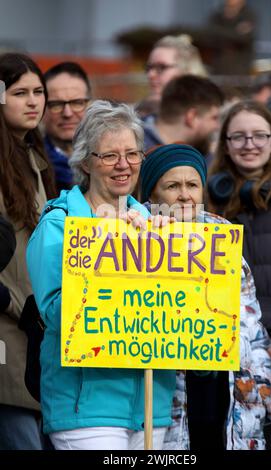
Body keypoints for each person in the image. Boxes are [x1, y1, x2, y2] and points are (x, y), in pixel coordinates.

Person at [26, 100, 187, 451]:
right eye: (109, 156)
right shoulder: (59, 225)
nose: (123, 165)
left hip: (151, 407)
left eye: (132, 154)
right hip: (86, 410)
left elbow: (179, 313)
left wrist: (170, 245)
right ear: (85, 161)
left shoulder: (154, 225)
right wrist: (100, 245)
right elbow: (56, 316)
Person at [140, 143, 271, 450]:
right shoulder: (134, 240)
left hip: (225, 389)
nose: (185, 195)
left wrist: (260, 395)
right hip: (169, 392)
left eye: (192, 185)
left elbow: (251, 324)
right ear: (151, 193)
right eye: (172, 186)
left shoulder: (223, 236)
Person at [206, 100, 271, 449]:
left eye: (259, 136)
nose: (249, 144)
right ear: (226, 144)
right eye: (239, 137)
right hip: (220, 355)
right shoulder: (205, 203)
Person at [0, 52, 56, 450]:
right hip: (5, 323)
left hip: (34, 323)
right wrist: (7, 299)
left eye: (38, 91)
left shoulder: (35, 157)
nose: (33, 101)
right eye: (21, 93)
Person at [143, 74, 224, 162]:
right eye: (214, 118)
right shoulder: (135, 150)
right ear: (192, 117)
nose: (217, 126)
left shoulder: (205, 156)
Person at [43, 62, 92, 192]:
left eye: (77, 103)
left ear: (90, 104)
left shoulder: (113, 160)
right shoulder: (25, 165)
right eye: (56, 104)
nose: (67, 113)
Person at [137, 34, 208, 118]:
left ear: (187, 70)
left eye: (161, 67)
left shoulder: (206, 116)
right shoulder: (141, 112)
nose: (151, 74)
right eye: (149, 67)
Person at [205, 0, 256, 75]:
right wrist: (235, 32)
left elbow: (243, 38)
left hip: (240, 69)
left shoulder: (249, 15)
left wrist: (220, 32)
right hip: (218, 67)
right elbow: (208, 35)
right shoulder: (217, 15)